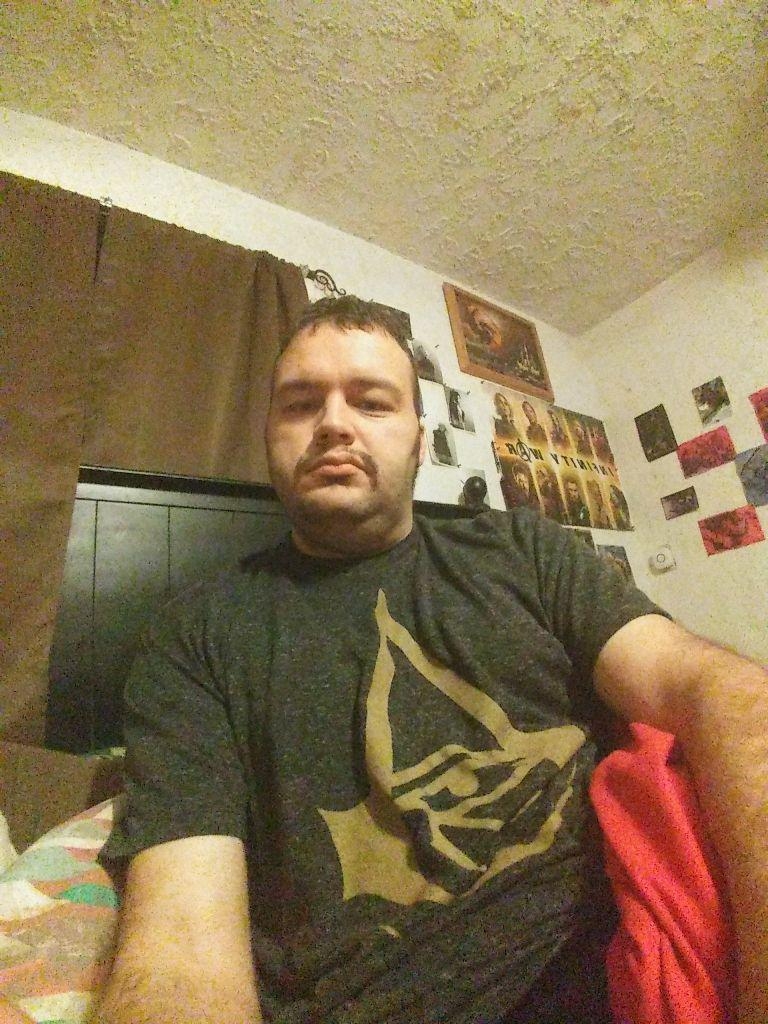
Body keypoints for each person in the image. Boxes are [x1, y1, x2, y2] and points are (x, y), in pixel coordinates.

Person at [97, 296, 768, 1024]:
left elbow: (709, 687)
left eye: (371, 402)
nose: (334, 423)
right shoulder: (193, 637)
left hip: (615, 969)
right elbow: (182, 954)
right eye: (300, 404)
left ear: (420, 440)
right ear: (268, 436)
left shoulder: (525, 552)